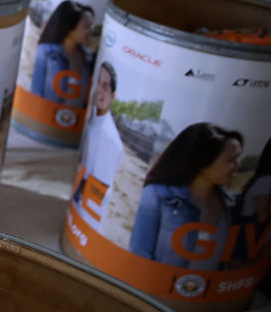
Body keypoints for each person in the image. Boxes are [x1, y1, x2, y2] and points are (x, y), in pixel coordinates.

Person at [128, 123, 243, 270]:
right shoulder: (156, 195)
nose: (238, 165)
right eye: (231, 159)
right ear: (202, 160)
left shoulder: (234, 204)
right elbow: (139, 257)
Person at [73, 62, 124, 227]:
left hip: (85, 212)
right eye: (98, 84)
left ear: (113, 95)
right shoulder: (94, 120)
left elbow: (98, 192)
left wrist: (83, 226)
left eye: (106, 86)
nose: (100, 91)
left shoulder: (108, 138)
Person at [30, 0, 95, 107]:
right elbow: (35, 91)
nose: (91, 30)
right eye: (86, 26)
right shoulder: (46, 52)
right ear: (69, 27)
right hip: (43, 117)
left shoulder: (89, 58)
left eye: (91, 25)